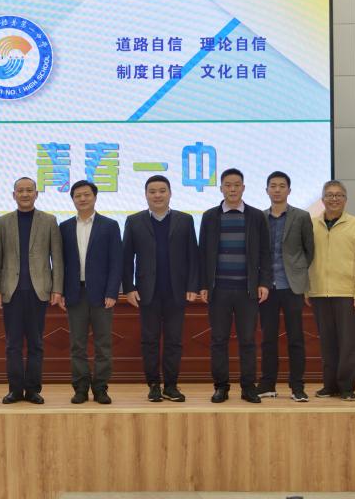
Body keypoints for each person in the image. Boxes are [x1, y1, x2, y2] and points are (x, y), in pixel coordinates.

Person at [122, 175, 199, 403]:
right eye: (152, 191)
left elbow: (193, 256)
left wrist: (193, 285)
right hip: (147, 292)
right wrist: (128, 288)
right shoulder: (134, 221)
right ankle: (154, 385)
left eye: (162, 190)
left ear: (170, 193)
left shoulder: (185, 220)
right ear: (146, 195)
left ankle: (171, 386)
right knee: (150, 341)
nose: (157, 195)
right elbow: (126, 258)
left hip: (177, 291)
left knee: (174, 341)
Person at [199, 168, 272, 404]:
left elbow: (265, 253)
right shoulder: (210, 216)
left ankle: (248, 387)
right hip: (218, 290)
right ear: (221, 188)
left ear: (243, 188)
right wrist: (203, 284)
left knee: (248, 340)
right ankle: (221, 387)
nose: (232, 189)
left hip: (247, 290)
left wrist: (264, 282)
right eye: (228, 185)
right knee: (218, 340)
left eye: (236, 185)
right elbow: (203, 253)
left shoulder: (256, 216)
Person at [0, 177, 64, 404]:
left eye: (29, 190)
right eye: (20, 191)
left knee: (36, 344)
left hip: (38, 291)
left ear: (36, 194)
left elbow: (57, 257)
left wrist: (57, 288)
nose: (25, 194)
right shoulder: (2, 222)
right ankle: (15, 390)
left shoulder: (49, 220)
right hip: (11, 291)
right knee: (12, 344)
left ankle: (33, 390)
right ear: (13, 194)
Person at [307, 180, 355, 401]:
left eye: (338, 195)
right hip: (318, 292)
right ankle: (329, 385)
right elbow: (305, 259)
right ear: (322, 199)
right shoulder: (311, 225)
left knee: (347, 344)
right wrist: (307, 289)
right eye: (329, 195)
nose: (334, 199)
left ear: (345, 199)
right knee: (327, 342)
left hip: (347, 294)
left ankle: (346, 387)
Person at [60, 180, 122, 405]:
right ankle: (80, 387)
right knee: (77, 344)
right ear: (73, 199)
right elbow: (60, 262)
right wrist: (61, 291)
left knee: (103, 344)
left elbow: (116, 261)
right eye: (78, 195)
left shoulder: (110, 225)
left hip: (102, 294)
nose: (82, 199)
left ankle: (101, 388)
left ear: (95, 197)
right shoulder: (64, 227)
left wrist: (113, 291)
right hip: (74, 293)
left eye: (86, 194)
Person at [256, 171, 315, 402]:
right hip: (267, 288)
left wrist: (297, 271)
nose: (277, 189)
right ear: (266, 190)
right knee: (268, 339)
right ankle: (267, 384)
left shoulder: (301, 216)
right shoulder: (259, 218)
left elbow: (309, 250)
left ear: (289, 190)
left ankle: (297, 386)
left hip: (292, 287)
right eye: (273, 186)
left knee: (296, 338)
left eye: (282, 186)